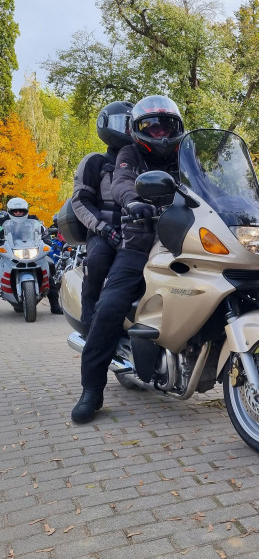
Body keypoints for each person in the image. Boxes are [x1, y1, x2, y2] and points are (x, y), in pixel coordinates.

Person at [71, 95, 185, 424]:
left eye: (166, 126)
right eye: (152, 126)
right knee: (110, 305)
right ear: (138, 130)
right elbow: (122, 183)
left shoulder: (185, 156)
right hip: (138, 242)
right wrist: (133, 201)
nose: (160, 133)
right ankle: (91, 389)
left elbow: (211, 184)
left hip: (183, 239)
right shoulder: (129, 153)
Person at [71, 101, 133, 327]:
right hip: (104, 232)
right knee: (97, 260)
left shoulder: (142, 163)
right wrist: (103, 229)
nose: (127, 130)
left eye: (131, 125)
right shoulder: (95, 161)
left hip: (138, 233)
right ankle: (88, 321)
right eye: (121, 124)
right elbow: (80, 200)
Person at [0, 197, 63, 314]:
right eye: (15, 211)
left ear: (26, 210)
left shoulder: (33, 219)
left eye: (21, 211)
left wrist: (47, 238)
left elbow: (43, 231)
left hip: (31, 250)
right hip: (10, 251)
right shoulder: (3, 221)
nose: (18, 213)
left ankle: (55, 306)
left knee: (48, 267)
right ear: (10, 211)